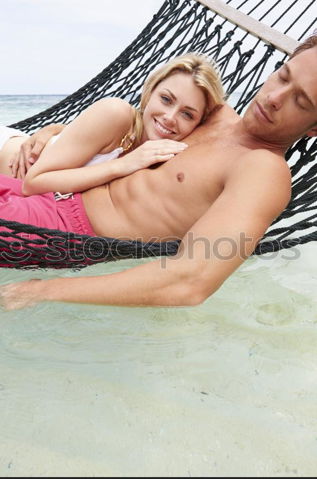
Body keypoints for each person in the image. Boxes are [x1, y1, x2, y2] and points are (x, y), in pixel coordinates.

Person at [1, 34, 317, 310]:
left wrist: (39, 290)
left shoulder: (262, 171)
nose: (274, 98)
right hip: (43, 199)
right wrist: (53, 132)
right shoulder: (213, 114)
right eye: (283, 76)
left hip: (59, 235)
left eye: (300, 101)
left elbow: (191, 280)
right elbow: (139, 127)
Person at [0, 53, 225, 236]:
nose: (169, 117)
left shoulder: (165, 158)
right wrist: (122, 165)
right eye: (166, 99)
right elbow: (33, 183)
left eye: (187, 114)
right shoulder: (116, 114)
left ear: (198, 124)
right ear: (149, 94)